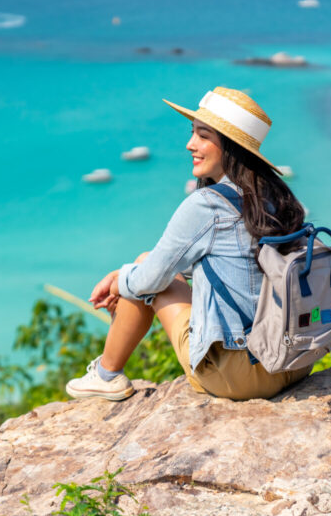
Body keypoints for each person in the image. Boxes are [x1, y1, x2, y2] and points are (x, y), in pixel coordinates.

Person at [66, 87, 312, 401]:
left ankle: (106, 374)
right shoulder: (275, 196)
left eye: (203, 136)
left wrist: (119, 279)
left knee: (143, 267)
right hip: (294, 361)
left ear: (231, 147)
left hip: (240, 375)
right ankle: (105, 371)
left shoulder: (207, 205)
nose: (190, 145)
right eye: (193, 133)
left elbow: (149, 280)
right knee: (146, 267)